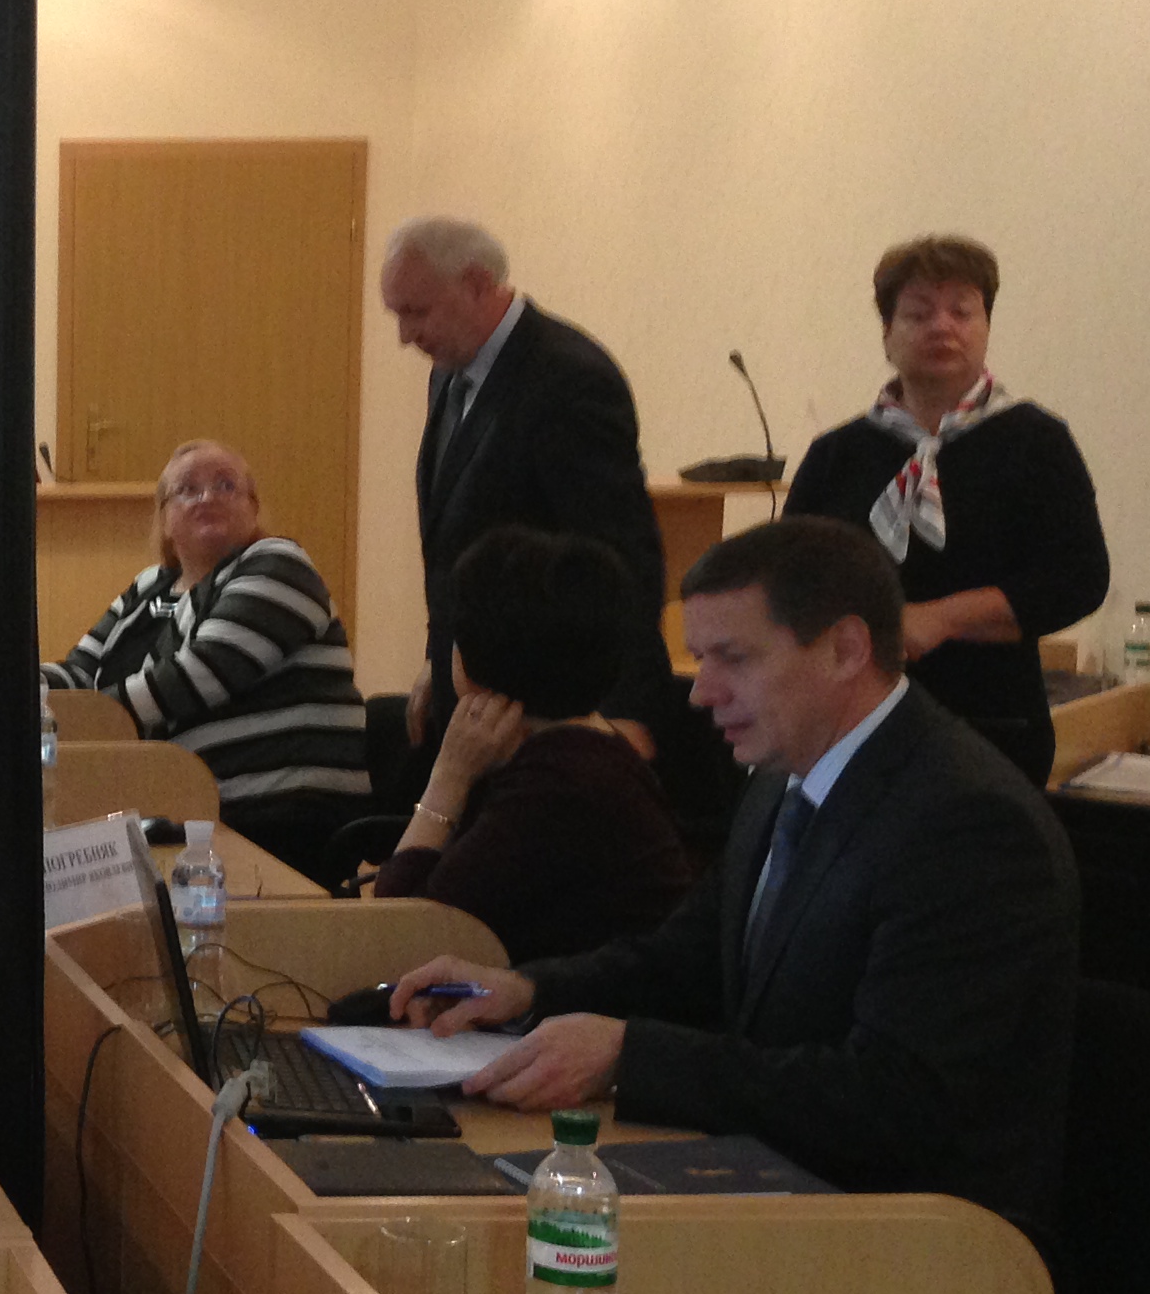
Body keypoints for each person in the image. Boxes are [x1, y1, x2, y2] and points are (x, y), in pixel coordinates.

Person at [394, 518, 1078, 1237]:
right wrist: (526, 990)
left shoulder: (968, 823)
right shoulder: (785, 775)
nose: (700, 693)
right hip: (780, 1182)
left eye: (732, 658)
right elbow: (687, 958)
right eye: (701, 659)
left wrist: (628, 1055)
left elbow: (894, 1100)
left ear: (846, 650)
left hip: (913, 1238)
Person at [784, 235, 1107, 785]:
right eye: (918, 313)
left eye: (962, 311)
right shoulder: (837, 454)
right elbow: (791, 583)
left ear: (986, 328)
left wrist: (939, 619)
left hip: (993, 727)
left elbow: (1078, 579)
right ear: (887, 335)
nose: (942, 327)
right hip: (849, 725)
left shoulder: (1036, 441)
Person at [381, 216, 677, 758]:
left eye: (417, 312)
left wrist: (623, 713)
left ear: (476, 284)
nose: (405, 336)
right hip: (478, 695)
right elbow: (455, 542)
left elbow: (620, 554)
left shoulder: (568, 378)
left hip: (549, 708)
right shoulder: (448, 373)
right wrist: (439, 657)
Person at [42, 439, 369, 878]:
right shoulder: (150, 588)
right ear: (164, 519)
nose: (207, 497)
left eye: (225, 485)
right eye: (188, 489)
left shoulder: (277, 564)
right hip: (175, 806)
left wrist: (68, 722)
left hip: (273, 813)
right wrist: (7, 687)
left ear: (253, 508)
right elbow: (80, 671)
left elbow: (194, 679)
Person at [370, 526, 693, 960]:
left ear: (474, 660)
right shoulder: (583, 754)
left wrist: (447, 778)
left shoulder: (559, 785)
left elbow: (397, 935)